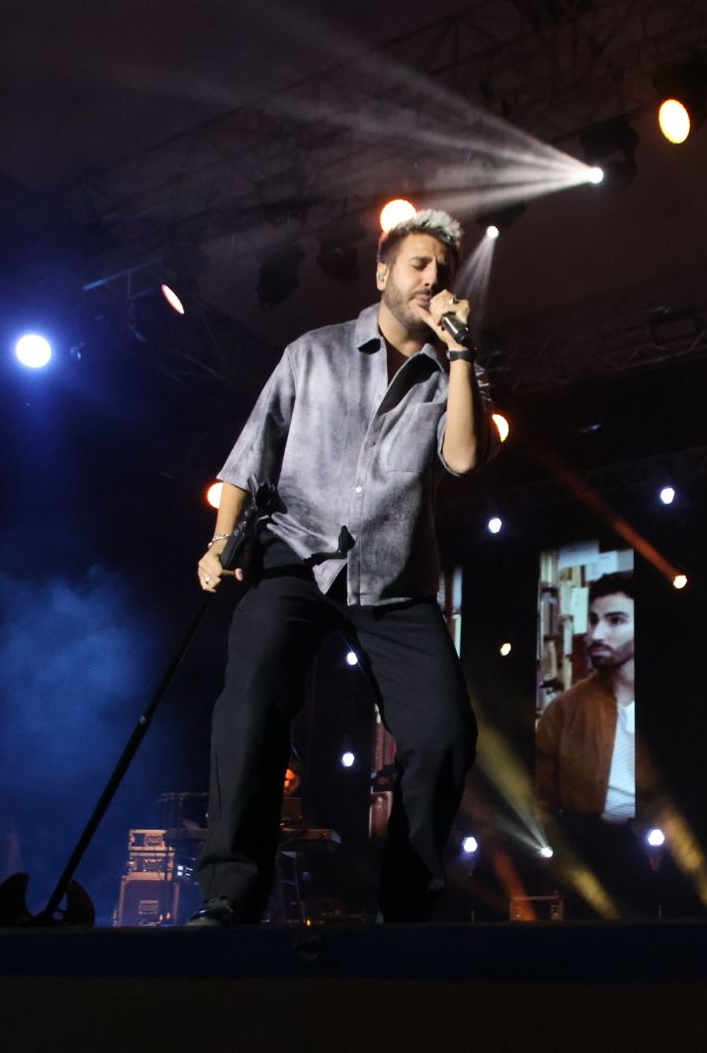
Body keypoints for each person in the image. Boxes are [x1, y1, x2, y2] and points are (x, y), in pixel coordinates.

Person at [191, 209, 498, 925]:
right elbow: (250, 453)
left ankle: (407, 908)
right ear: (384, 273)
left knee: (445, 732)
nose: (433, 280)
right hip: (297, 556)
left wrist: (459, 354)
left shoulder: (454, 373)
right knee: (250, 702)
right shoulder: (313, 353)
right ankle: (232, 895)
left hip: (395, 581)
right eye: (420, 265)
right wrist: (219, 540)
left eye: (444, 272)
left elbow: (463, 457)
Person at [533, 571, 707, 822]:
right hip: (605, 855)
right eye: (593, 620)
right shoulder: (562, 711)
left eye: (615, 620)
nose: (595, 635)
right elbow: (540, 806)